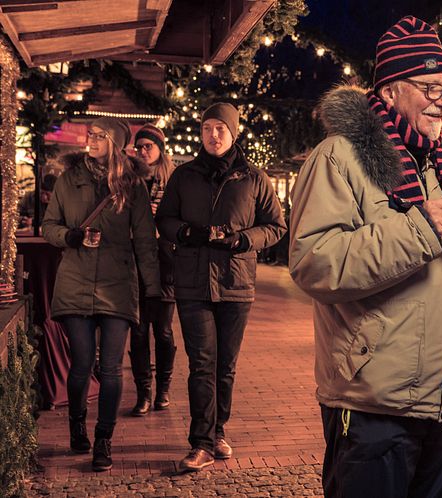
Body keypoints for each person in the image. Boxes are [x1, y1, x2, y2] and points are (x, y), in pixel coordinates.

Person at [289, 16, 442, 498]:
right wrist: (419, 228)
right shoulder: (340, 156)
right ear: (390, 90)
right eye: (431, 87)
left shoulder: (439, 165)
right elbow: (315, 262)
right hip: (375, 405)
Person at [156, 103, 287, 472]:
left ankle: (218, 431)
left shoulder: (254, 178)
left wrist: (243, 239)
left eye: (221, 129)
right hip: (193, 282)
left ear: (234, 133)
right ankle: (200, 442)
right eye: (207, 127)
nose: (213, 135)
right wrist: (185, 232)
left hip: (235, 282)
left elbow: (276, 227)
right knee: (202, 364)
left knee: (225, 366)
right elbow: (164, 218)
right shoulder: (184, 176)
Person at [42, 117, 160, 472]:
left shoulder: (132, 186)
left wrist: (152, 288)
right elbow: (49, 226)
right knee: (81, 365)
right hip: (76, 280)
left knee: (110, 369)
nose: (90, 140)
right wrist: (71, 237)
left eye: (98, 136)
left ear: (115, 142)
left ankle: (103, 439)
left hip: (117, 286)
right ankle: (77, 424)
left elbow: (144, 240)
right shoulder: (69, 179)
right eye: (89, 135)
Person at [129, 124, 177, 416]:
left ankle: (163, 390)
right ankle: (143, 392)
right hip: (133, 266)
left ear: (160, 149)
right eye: (140, 147)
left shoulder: (172, 182)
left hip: (164, 266)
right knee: (137, 332)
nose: (143, 151)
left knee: (163, 331)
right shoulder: (129, 180)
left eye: (149, 146)